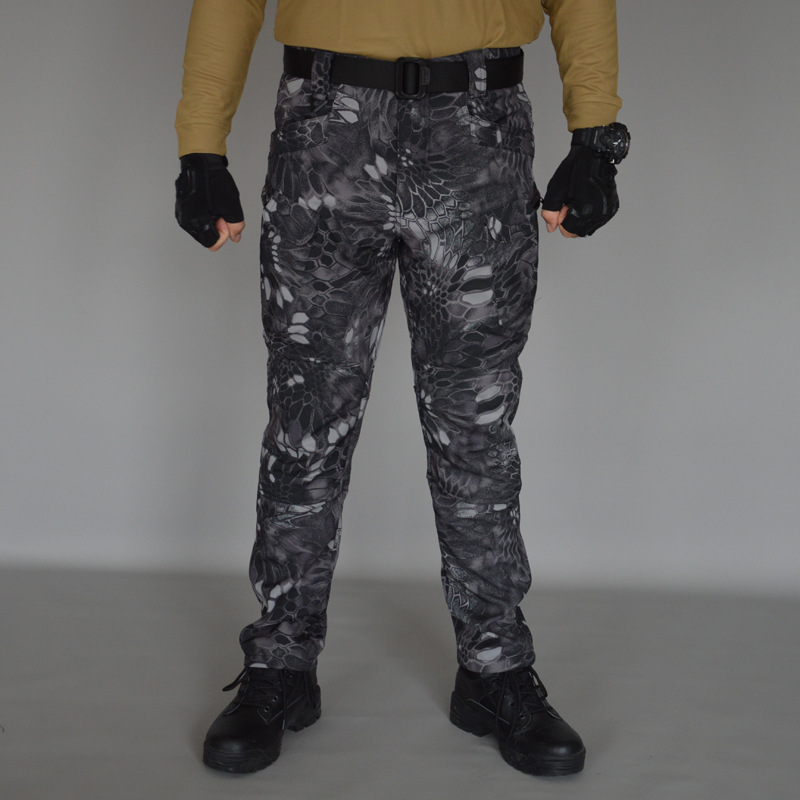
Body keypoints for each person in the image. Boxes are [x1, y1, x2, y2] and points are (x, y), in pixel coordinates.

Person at [174, 0, 629, 778]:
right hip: (326, 133)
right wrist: (200, 150)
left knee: (475, 419)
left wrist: (596, 139)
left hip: (478, 131)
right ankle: (281, 664)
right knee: (307, 417)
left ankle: (494, 669)